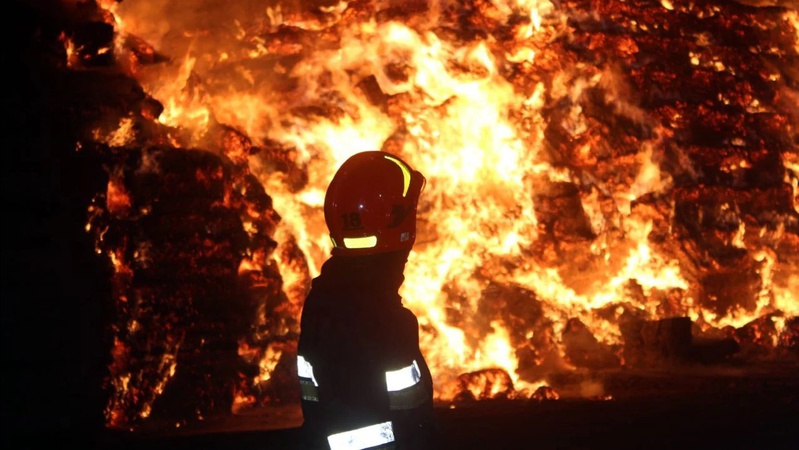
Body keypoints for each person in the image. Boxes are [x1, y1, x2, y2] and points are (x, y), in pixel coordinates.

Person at [296, 151, 438, 450]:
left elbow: (316, 407)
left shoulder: (322, 301)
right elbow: (413, 425)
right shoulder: (385, 320)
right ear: (398, 222)